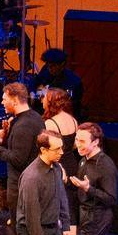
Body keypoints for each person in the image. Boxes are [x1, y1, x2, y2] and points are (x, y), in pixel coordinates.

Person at [0, 81, 45, 227]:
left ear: (15, 100)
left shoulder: (24, 125)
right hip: (29, 184)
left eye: (5, 99)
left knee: (22, 234)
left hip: (21, 188)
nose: (2, 102)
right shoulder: (34, 117)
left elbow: (17, 159)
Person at [41, 86, 82, 225]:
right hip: (72, 164)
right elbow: (75, 146)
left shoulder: (50, 123)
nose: (42, 100)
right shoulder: (73, 120)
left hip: (59, 164)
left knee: (59, 203)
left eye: (45, 98)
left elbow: (50, 149)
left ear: (51, 102)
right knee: (70, 202)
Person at [29, 48, 85, 116]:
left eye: (53, 66)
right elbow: (35, 81)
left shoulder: (73, 81)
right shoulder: (46, 69)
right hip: (47, 109)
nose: (50, 69)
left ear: (62, 64)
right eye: (48, 65)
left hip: (65, 113)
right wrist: (32, 93)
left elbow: (71, 104)